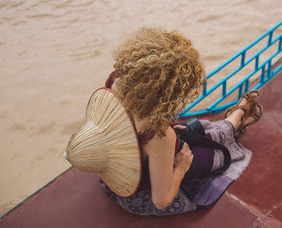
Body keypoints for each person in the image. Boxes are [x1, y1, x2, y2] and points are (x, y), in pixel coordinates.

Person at [98, 28, 263, 216]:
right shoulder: (158, 134)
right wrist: (180, 168)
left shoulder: (115, 82)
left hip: (114, 179)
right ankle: (236, 119)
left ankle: (234, 120)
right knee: (211, 152)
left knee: (194, 130)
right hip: (135, 197)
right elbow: (161, 201)